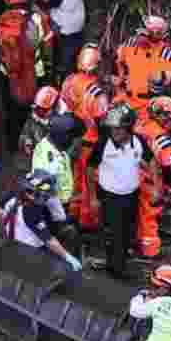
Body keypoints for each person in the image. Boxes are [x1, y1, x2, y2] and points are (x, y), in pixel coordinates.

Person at [0, 0, 54, 156]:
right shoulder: (37, 19)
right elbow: (47, 47)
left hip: (9, 75)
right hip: (35, 72)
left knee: (11, 112)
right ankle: (37, 147)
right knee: (37, 111)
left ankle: (12, 147)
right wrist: (49, 68)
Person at [60, 45, 112, 228]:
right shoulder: (96, 92)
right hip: (91, 140)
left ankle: (73, 211)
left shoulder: (68, 81)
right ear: (96, 65)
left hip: (74, 137)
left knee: (75, 176)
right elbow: (102, 120)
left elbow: (64, 107)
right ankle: (87, 219)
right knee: (88, 180)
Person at [90, 103, 142, 279]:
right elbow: (89, 168)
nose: (115, 133)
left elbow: (150, 160)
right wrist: (92, 197)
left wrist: (157, 184)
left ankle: (118, 259)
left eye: (119, 129)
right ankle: (117, 270)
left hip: (131, 196)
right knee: (115, 232)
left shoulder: (138, 142)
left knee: (127, 230)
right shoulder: (103, 144)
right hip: (110, 196)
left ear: (128, 128)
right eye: (112, 129)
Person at [0, 170, 82, 271]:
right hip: (29, 249)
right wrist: (67, 257)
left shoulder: (12, 193)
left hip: (11, 237)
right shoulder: (31, 211)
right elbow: (49, 240)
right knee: (60, 263)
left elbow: (0, 208)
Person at [133, 96, 171, 257]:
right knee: (150, 216)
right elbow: (169, 166)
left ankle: (136, 243)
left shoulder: (141, 124)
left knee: (137, 215)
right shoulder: (161, 138)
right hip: (149, 181)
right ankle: (151, 252)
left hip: (132, 175)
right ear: (162, 115)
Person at [116, 16, 171, 120]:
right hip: (126, 99)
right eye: (140, 31)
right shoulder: (130, 44)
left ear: (156, 35)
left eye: (146, 32)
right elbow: (118, 59)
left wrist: (163, 76)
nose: (140, 35)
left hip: (149, 103)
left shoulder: (164, 54)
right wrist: (120, 77)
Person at [46, 0, 90, 76]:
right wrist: (52, 24)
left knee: (78, 63)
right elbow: (39, 6)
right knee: (66, 68)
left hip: (79, 33)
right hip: (64, 39)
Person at [20, 85, 61, 158]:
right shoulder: (33, 118)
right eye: (39, 108)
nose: (40, 112)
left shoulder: (62, 121)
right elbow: (26, 133)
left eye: (44, 110)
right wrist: (27, 142)